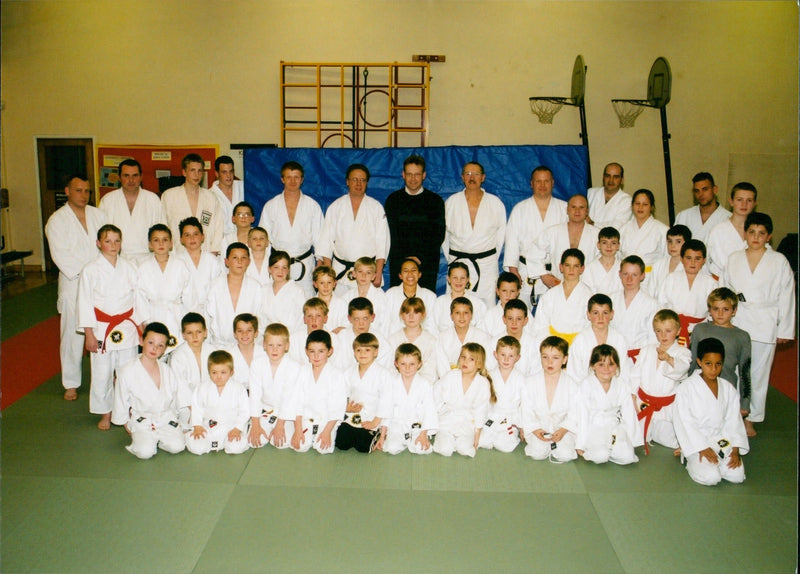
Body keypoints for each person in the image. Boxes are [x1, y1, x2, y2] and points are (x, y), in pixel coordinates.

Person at [722, 212, 795, 431]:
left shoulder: (778, 261)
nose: (755, 237)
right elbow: (724, 290)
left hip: (765, 321)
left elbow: (787, 294)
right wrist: (719, 319)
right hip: (738, 317)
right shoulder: (734, 258)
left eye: (761, 233)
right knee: (733, 369)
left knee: (757, 373)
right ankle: (731, 413)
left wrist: (785, 328)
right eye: (751, 232)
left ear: (769, 236)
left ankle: (751, 417)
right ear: (745, 234)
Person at [45, 173, 107, 401]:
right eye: (78, 190)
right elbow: (60, 255)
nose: (83, 195)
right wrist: (90, 273)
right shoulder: (57, 220)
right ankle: (71, 382)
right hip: (74, 283)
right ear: (67, 191)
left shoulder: (98, 215)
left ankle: (104, 377)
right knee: (73, 334)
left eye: (87, 191)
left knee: (102, 331)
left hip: (101, 283)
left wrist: (103, 274)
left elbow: (109, 244)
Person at [76, 224, 142, 430]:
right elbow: (84, 303)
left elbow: (138, 299)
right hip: (101, 327)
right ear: (98, 243)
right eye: (108, 241)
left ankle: (128, 411)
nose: (113, 245)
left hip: (126, 327)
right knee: (102, 373)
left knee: (128, 372)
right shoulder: (90, 270)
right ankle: (106, 412)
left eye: (116, 241)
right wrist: (88, 334)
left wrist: (142, 328)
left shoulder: (130, 267)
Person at [673, 337, 749, 486]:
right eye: (708, 364)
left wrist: (735, 449)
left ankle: (719, 461)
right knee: (711, 478)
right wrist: (701, 448)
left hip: (721, 439)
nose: (713, 369)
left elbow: (733, 420)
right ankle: (691, 460)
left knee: (737, 476)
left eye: (718, 364)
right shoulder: (687, 388)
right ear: (699, 362)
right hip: (696, 442)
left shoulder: (727, 388)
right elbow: (684, 421)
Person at [110, 322, 185, 459]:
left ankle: (158, 439)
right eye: (150, 342)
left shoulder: (167, 371)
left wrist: (175, 418)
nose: (154, 348)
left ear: (165, 349)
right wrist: (128, 426)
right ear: (141, 341)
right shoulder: (127, 371)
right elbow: (121, 400)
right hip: (142, 420)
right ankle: (145, 440)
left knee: (178, 447)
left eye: (160, 345)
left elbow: (174, 400)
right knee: (145, 453)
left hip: (164, 418)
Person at [689, 288, 753, 435]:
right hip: (700, 387)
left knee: (722, 432)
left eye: (726, 309)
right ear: (709, 310)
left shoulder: (742, 336)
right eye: (716, 309)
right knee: (698, 427)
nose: (720, 313)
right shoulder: (700, 329)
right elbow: (692, 361)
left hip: (726, 390)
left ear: (734, 310)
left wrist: (745, 403)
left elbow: (745, 371)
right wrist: (684, 387)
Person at [318, 163, 390, 292]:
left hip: (367, 273)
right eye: (354, 179)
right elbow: (326, 241)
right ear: (347, 181)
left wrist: (378, 273)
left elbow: (382, 242)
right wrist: (329, 274)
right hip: (340, 272)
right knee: (340, 309)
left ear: (367, 183)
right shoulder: (336, 207)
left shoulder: (376, 207)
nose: (358, 184)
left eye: (362, 180)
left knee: (367, 310)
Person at [443, 161, 506, 307]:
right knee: (456, 304)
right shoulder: (451, 202)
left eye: (476, 174)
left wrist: (489, 256)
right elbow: (444, 237)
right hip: (458, 261)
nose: (472, 177)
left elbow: (500, 236)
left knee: (487, 304)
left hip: (486, 264)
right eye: (468, 174)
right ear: (462, 177)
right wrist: (454, 258)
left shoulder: (495, 203)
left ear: (483, 177)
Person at [629, 309, 692, 454]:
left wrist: (669, 359)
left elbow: (682, 369)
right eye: (659, 331)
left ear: (678, 331)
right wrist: (632, 395)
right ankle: (649, 431)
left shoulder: (683, 352)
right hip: (643, 403)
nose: (663, 335)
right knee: (635, 438)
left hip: (667, 406)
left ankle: (660, 433)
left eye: (668, 331)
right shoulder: (646, 350)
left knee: (669, 439)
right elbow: (635, 374)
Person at [258, 161, 324, 297]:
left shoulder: (312, 206)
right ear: (282, 179)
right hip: (279, 265)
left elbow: (320, 238)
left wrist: (321, 262)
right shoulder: (271, 206)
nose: (292, 181)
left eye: (296, 177)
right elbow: (263, 239)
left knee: (306, 304)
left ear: (302, 179)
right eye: (288, 177)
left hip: (304, 264)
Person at [504, 165, 568, 304]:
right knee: (520, 315)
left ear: (553, 183)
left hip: (555, 272)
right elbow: (512, 242)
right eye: (538, 181)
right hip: (525, 271)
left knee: (553, 315)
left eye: (546, 181)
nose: (542, 185)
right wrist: (513, 270)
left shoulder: (565, 208)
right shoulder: (520, 209)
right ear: (531, 183)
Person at [384, 154, 446, 292]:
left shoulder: (435, 201)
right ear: (403, 174)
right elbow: (391, 234)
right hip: (400, 264)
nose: (413, 179)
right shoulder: (393, 200)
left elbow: (438, 234)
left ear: (424, 175)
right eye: (409, 174)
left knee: (425, 306)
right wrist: (406, 261)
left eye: (417, 174)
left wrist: (419, 258)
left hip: (426, 264)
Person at [282, 330, 348, 454]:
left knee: (323, 449)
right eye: (312, 351)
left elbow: (337, 407)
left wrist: (327, 431)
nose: (316, 356)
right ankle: (295, 430)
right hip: (305, 420)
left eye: (321, 351)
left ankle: (324, 433)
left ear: (330, 351)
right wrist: (298, 429)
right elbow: (297, 402)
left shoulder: (337, 375)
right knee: (299, 447)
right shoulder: (302, 371)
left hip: (326, 422)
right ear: (306, 351)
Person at [576, 344, 641, 465]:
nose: (606, 369)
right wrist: (580, 443)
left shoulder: (621, 384)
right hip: (593, 426)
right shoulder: (586, 385)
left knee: (627, 458)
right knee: (600, 457)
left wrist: (633, 439)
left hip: (614, 426)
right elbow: (582, 415)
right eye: (601, 364)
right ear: (593, 366)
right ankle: (603, 449)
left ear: (617, 366)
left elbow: (628, 412)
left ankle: (612, 449)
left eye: (611, 364)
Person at [136, 224, 192, 355]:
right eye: (156, 240)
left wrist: (188, 322)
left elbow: (189, 296)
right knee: (155, 355)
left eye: (165, 240)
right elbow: (140, 298)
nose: (161, 243)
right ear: (150, 244)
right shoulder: (143, 267)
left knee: (178, 355)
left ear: (171, 243)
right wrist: (144, 323)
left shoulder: (180, 265)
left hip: (176, 316)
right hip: (152, 316)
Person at [520, 336, 579, 462]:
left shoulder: (572, 384)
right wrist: (535, 429)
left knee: (565, 455)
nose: (549, 362)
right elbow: (527, 410)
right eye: (545, 357)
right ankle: (542, 442)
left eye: (555, 358)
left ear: (565, 359)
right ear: (540, 357)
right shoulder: (530, 382)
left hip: (562, 427)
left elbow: (575, 412)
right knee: (537, 454)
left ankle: (561, 443)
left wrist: (563, 430)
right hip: (540, 425)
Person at [525, 194, 598, 292]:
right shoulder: (553, 232)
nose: (577, 211)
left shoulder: (597, 234)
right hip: (558, 285)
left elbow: (603, 261)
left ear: (587, 211)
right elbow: (533, 253)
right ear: (567, 210)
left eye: (581, 207)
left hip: (588, 287)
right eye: (573, 207)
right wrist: (543, 275)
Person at [98, 159, 165, 265]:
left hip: (147, 259)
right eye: (126, 176)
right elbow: (101, 234)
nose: (131, 180)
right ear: (119, 177)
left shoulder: (152, 199)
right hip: (116, 259)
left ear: (141, 177)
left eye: (135, 175)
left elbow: (162, 231)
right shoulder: (108, 200)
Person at [433, 343, 494, 458]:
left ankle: (460, 442)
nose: (465, 362)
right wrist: (435, 417)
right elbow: (436, 397)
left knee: (465, 449)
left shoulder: (482, 383)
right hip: (447, 418)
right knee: (444, 449)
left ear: (479, 364)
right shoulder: (451, 376)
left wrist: (477, 436)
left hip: (467, 422)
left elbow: (481, 410)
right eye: (463, 357)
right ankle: (447, 440)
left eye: (471, 359)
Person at [185, 349, 250, 455]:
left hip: (231, 427)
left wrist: (238, 428)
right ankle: (195, 437)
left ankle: (229, 441)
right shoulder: (202, 387)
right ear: (209, 371)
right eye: (214, 372)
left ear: (231, 372)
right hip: (208, 426)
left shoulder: (239, 388)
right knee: (197, 448)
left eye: (223, 372)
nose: (218, 376)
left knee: (235, 448)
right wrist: (197, 426)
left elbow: (245, 411)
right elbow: (197, 408)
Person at [336, 333, 393, 453]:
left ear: (375, 352)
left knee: (363, 447)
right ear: (354, 353)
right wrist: (346, 407)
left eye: (367, 350)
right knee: (341, 443)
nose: (362, 354)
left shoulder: (384, 374)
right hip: (353, 416)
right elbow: (341, 395)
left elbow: (386, 402)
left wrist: (375, 422)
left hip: (373, 417)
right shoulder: (348, 372)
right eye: (359, 350)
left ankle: (376, 434)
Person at [248, 323, 302, 448]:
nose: (275, 349)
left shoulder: (294, 367)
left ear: (287, 346)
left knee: (280, 443)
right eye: (271, 345)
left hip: (285, 414)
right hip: (265, 410)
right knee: (255, 442)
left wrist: (279, 425)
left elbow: (290, 398)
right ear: (264, 345)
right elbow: (254, 395)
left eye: (279, 345)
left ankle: (281, 426)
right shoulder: (257, 364)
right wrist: (255, 424)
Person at [378, 343, 437, 455]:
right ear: (396, 364)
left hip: (417, 425)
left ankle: (415, 439)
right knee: (391, 448)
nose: (407, 368)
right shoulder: (391, 383)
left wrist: (423, 434)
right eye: (403, 364)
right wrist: (382, 436)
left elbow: (429, 410)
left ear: (419, 364)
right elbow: (386, 409)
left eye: (412, 364)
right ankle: (401, 440)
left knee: (421, 449)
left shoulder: (425, 384)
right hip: (397, 424)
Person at [658, 239, 718, 347]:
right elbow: (661, 305)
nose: (693, 263)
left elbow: (713, 311)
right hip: (672, 331)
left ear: (704, 260)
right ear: (681, 258)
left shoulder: (711, 283)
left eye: (697, 259)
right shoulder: (671, 278)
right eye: (688, 258)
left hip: (700, 332)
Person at [161, 153, 224, 254]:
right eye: (192, 170)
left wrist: (214, 250)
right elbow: (163, 224)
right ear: (184, 172)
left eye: (200, 171)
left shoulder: (211, 197)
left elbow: (218, 226)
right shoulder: (169, 196)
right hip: (178, 253)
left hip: (205, 252)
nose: (196, 175)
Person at [531, 249, 593, 345]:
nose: (571, 270)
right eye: (567, 265)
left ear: (582, 269)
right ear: (561, 267)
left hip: (578, 345)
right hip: (552, 346)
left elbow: (590, 326)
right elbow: (540, 326)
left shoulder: (588, 296)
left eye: (576, 266)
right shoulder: (549, 295)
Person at [206, 242, 264, 346]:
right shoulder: (215, 285)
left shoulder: (255, 287)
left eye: (243, 258)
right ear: (226, 261)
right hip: (219, 345)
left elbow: (259, 317)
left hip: (247, 344)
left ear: (249, 261)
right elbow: (208, 316)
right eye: (235, 258)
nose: (239, 262)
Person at [566, 294, 631, 383]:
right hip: (586, 391)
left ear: (612, 314)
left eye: (605, 313)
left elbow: (624, 371)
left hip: (614, 390)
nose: (600, 318)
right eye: (596, 313)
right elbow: (573, 373)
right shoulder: (581, 340)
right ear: (588, 315)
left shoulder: (619, 339)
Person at [168, 312, 214, 429]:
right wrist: (195, 411)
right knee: (193, 436)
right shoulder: (178, 356)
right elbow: (180, 386)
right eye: (189, 333)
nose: (195, 336)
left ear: (205, 333)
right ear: (183, 335)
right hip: (187, 405)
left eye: (198, 332)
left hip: (211, 400)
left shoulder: (213, 352)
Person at [479, 336, 524, 452]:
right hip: (492, 416)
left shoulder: (521, 379)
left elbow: (524, 405)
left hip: (510, 418)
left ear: (518, 358)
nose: (506, 359)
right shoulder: (489, 376)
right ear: (495, 355)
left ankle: (509, 434)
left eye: (511, 356)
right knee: (482, 441)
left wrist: (522, 426)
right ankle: (493, 433)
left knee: (504, 446)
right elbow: (484, 402)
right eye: (502, 355)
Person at [610, 256, 659, 361]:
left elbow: (653, 339)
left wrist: (647, 360)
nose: (629, 279)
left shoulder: (652, 304)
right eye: (625, 274)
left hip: (639, 358)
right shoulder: (611, 299)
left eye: (634, 275)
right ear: (619, 274)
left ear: (642, 276)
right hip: (613, 356)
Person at [706, 182, 758, 280]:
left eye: (749, 200)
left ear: (755, 203)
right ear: (731, 201)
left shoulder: (758, 233)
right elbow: (708, 265)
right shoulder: (718, 231)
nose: (744, 204)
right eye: (739, 200)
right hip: (722, 286)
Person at [435, 297, 493, 379]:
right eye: (457, 313)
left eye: (465, 313)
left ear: (471, 315)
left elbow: (487, 364)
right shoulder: (442, 337)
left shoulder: (483, 337)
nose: (461, 317)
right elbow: (442, 367)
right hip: (449, 383)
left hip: (476, 381)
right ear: (451, 316)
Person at [387, 297, 438, 384]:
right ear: (402, 315)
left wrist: (415, 386)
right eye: (407, 313)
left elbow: (431, 374)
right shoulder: (393, 340)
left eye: (416, 312)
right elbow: (389, 369)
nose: (411, 317)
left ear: (423, 315)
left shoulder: (431, 341)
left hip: (422, 388)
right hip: (397, 387)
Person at [384, 257, 437, 335]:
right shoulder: (390, 294)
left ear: (419, 274)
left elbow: (432, 326)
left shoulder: (430, 296)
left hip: (422, 341)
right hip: (396, 342)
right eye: (405, 271)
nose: (410, 274)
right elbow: (386, 325)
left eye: (414, 270)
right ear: (400, 275)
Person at [618, 188, 668, 272]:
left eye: (645, 204)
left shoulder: (662, 230)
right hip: (626, 277)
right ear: (632, 206)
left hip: (651, 277)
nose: (640, 207)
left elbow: (666, 259)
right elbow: (618, 256)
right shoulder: (623, 229)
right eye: (637, 203)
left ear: (652, 207)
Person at [674, 172, 730, 244]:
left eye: (705, 189)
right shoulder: (684, 216)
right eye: (697, 191)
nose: (701, 194)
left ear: (715, 189)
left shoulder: (728, 218)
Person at [432, 262, 487, 332]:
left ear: (467, 279)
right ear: (448, 278)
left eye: (462, 278)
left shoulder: (478, 303)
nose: (459, 281)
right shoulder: (439, 302)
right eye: (455, 277)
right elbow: (433, 329)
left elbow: (481, 330)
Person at [491, 299, 539, 376]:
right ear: (504, 319)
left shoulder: (534, 343)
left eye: (519, 319)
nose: (514, 323)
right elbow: (489, 369)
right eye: (510, 318)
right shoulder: (494, 342)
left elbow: (536, 372)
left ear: (525, 320)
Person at [262, 250, 306, 333]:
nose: (280, 271)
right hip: (268, 338)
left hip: (290, 337)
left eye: (284, 267)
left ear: (288, 270)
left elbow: (302, 320)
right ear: (269, 269)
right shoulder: (264, 290)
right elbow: (260, 318)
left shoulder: (297, 291)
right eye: (276, 267)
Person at [343, 257, 389, 335]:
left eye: (368, 273)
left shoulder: (381, 296)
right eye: (360, 272)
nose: (363, 276)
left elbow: (385, 324)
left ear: (374, 276)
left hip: (374, 337)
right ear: (354, 274)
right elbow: (345, 321)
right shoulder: (347, 296)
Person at [646, 224, 691, 298]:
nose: (672, 245)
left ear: (687, 243)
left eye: (678, 242)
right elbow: (650, 290)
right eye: (670, 241)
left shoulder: (690, 266)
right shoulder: (658, 264)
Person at [226, 313, 265, 392]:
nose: (244, 334)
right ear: (235, 334)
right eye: (240, 331)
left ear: (256, 333)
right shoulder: (229, 355)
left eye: (249, 330)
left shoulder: (264, 353)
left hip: (261, 394)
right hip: (237, 395)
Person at [586, 162, 632, 230]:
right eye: (608, 176)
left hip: (610, 239)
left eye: (615, 177)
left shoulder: (627, 200)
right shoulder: (590, 193)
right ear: (603, 177)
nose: (611, 180)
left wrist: (592, 223)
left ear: (622, 180)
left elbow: (618, 225)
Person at [480, 272, 525, 338]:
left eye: (512, 291)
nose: (508, 295)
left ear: (518, 292)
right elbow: (483, 338)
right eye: (504, 291)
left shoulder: (523, 311)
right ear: (497, 291)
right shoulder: (491, 314)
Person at [209, 155, 245, 236]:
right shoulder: (209, 195)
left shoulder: (243, 187)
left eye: (231, 171)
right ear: (217, 173)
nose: (228, 176)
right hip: (221, 242)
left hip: (243, 239)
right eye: (224, 172)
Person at [582, 226, 622, 295]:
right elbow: (586, 293)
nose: (609, 246)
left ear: (618, 246)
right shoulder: (590, 268)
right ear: (598, 245)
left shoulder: (623, 267)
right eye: (604, 243)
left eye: (613, 243)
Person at [312, 265, 349, 332]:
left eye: (329, 282)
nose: (326, 286)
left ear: (335, 283)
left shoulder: (342, 303)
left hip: (337, 339)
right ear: (315, 284)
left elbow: (347, 325)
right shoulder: (310, 304)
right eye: (322, 283)